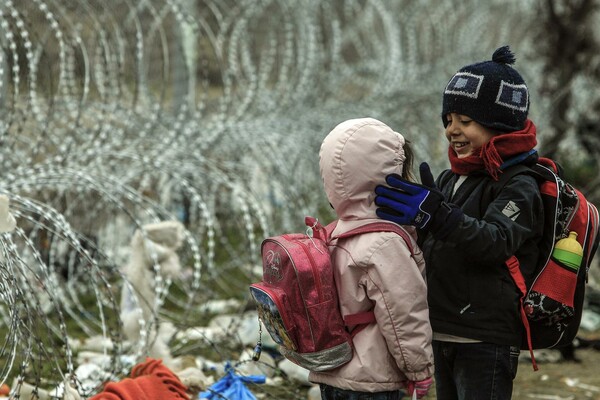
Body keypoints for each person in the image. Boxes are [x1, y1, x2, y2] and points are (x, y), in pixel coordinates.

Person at [374, 46, 544, 399]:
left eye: (465, 121)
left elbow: (495, 241)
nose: (452, 130)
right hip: (443, 327)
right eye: (448, 120)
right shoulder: (452, 178)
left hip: (485, 336)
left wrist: (439, 216)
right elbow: (438, 237)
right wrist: (409, 225)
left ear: (500, 124)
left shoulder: (519, 183)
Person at [310, 117, 434, 400]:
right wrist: (419, 371)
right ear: (388, 178)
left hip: (333, 370)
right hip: (372, 380)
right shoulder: (384, 243)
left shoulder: (336, 233)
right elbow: (403, 314)